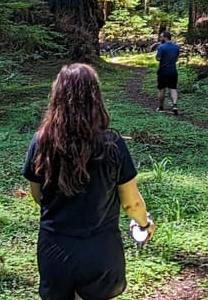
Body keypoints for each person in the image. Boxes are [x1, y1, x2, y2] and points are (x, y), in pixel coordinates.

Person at [22, 63, 155, 300]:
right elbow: (131, 204)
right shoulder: (112, 144)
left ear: (57, 96)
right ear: (95, 98)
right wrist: (144, 224)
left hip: (55, 249)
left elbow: (37, 194)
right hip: (100, 252)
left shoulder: (42, 141)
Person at [156, 30, 180, 115]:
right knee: (173, 89)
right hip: (173, 71)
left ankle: (161, 107)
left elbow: (158, 58)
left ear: (165, 37)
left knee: (162, 89)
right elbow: (176, 58)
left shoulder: (161, 47)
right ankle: (175, 105)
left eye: (162, 36)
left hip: (163, 71)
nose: (160, 38)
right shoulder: (176, 47)